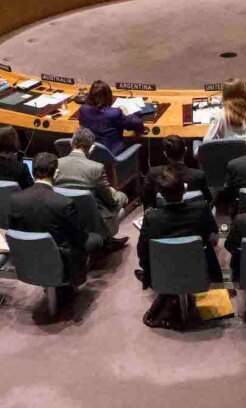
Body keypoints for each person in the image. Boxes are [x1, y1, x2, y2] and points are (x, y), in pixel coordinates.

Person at [7, 152, 92, 296]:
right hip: (60, 261)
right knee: (94, 239)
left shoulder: (15, 199)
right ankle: (73, 280)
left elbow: (15, 229)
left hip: (26, 257)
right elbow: (80, 237)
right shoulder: (63, 203)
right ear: (56, 173)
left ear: (33, 171)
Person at [136, 167, 221, 288]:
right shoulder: (202, 209)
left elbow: (142, 251)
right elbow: (213, 232)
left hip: (164, 271)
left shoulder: (151, 218)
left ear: (161, 195)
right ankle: (217, 281)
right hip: (197, 269)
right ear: (185, 189)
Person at [55, 127, 130, 245]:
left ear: (71, 143)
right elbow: (110, 201)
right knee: (121, 198)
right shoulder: (97, 168)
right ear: (92, 148)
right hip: (94, 220)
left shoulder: (56, 163)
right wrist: (120, 196)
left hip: (67, 218)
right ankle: (106, 241)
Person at [75, 80, 144, 156]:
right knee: (136, 141)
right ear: (108, 96)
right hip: (111, 154)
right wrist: (126, 113)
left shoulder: (83, 109)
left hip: (90, 152)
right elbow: (137, 123)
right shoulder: (115, 113)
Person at [142, 135, 211, 208]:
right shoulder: (199, 175)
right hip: (192, 216)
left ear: (165, 154)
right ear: (185, 150)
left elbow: (146, 199)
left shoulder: (153, 173)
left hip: (162, 216)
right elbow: (207, 200)